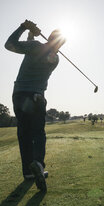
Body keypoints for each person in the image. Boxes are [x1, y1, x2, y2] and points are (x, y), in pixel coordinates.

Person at [5, 20, 65, 191]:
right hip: (38, 97)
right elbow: (33, 46)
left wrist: (24, 27)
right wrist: (31, 34)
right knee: (38, 133)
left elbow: (10, 45)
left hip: (20, 95)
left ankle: (28, 172)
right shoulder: (55, 59)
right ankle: (38, 163)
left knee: (24, 134)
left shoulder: (35, 47)